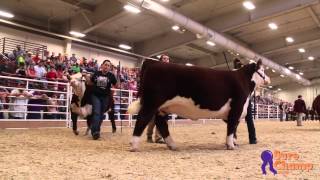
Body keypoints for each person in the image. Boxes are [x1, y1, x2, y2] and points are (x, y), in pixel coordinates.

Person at [90, 60, 117, 140]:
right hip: (95, 95)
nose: (106, 66)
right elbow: (91, 82)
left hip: (105, 97)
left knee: (101, 114)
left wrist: (117, 76)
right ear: (102, 65)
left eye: (108, 66)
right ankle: (95, 132)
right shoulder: (96, 73)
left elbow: (117, 85)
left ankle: (95, 129)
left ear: (110, 68)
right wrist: (86, 77)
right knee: (97, 112)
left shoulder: (111, 75)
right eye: (105, 65)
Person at [146, 54, 170, 143]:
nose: (166, 60)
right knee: (153, 118)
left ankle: (158, 137)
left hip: (166, 97)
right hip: (155, 96)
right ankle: (149, 135)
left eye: (167, 59)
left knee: (163, 117)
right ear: (160, 60)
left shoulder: (170, 72)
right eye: (164, 58)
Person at [233, 58, 257, 144]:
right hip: (246, 99)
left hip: (235, 100)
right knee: (249, 119)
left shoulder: (233, 73)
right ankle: (253, 139)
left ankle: (233, 139)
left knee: (234, 120)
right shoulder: (245, 75)